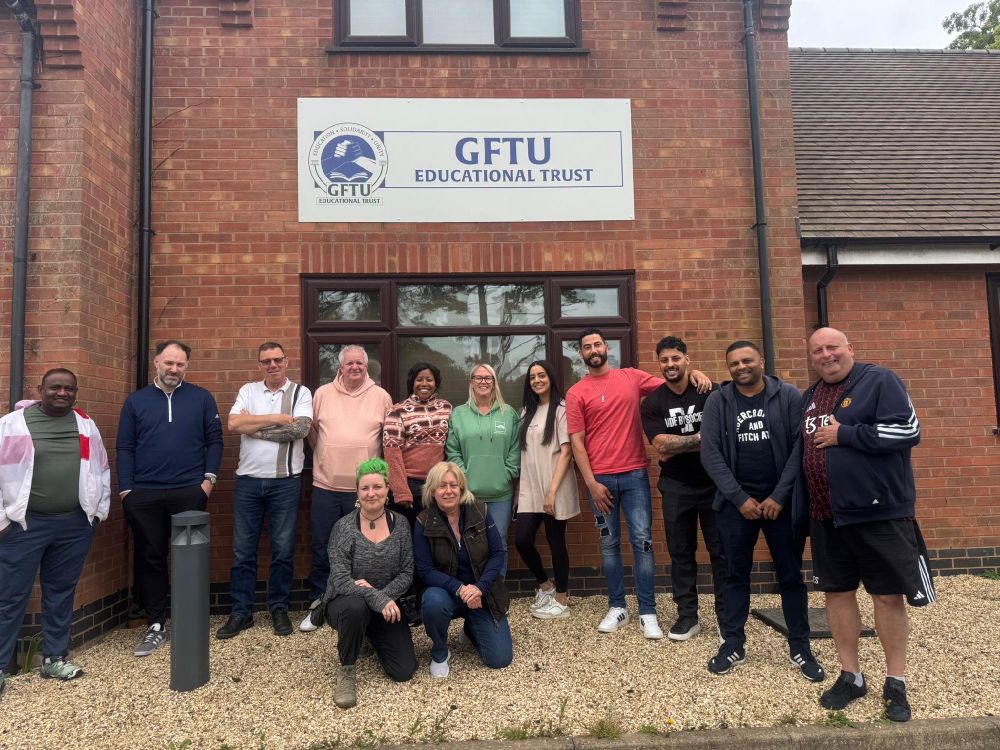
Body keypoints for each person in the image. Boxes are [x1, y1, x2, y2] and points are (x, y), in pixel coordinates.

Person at [803, 327, 929, 722]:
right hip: (826, 517)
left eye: (832, 347)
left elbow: (909, 431)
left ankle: (896, 682)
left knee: (887, 597)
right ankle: (851, 675)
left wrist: (847, 434)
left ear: (849, 349)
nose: (826, 355)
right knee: (837, 595)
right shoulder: (809, 398)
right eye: (818, 350)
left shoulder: (880, 381)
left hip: (876, 515)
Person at [566, 327, 710, 639]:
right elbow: (577, 443)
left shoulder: (631, 377)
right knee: (608, 544)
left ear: (606, 347)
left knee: (643, 542)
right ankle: (617, 606)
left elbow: (675, 383)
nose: (593, 350)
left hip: (634, 475)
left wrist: (695, 371)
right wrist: (590, 483)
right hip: (600, 480)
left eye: (597, 344)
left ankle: (648, 611)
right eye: (586, 346)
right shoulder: (576, 392)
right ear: (581, 354)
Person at [700, 340, 824, 681]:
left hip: (780, 506)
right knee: (734, 576)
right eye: (734, 363)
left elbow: (801, 446)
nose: (741, 367)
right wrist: (739, 498)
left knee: (790, 576)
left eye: (747, 360)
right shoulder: (718, 401)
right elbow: (710, 453)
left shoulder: (789, 396)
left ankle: (801, 646)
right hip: (735, 506)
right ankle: (733, 644)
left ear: (762, 361)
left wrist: (779, 496)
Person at [0, 370, 110, 697]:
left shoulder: (85, 425)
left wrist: (97, 511)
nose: (62, 393)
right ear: (40, 390)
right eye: (55, 387)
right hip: (24, 525)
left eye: (68, 388)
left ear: (76, 392)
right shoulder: (12, 424)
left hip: (74, 524)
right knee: (9, 596)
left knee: (60, 592)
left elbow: (101, 468)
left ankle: (54, 658)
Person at [117, 341, 222, 657]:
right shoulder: (136, 402)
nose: (174, 369)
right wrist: (126, 490)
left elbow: (214, 440)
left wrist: (208, 482)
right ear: (156, 363)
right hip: (144, 495)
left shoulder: (201, 398)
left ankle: (188, 621)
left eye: (180, 365)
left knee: (190, 556)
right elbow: (125, 447)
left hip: (189, 491)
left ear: (186, 367)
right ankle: (156, 623)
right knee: (151, 556)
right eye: (169, 363)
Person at [216, 343, 313, 640]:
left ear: (286, 361)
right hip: (247, 481)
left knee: (282, 549)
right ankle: (241, 612)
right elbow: (233, 423)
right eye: (265, 361)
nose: (272, 365)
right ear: (259, 365)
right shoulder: (248, 390)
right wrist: (276, 418)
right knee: (243, 551)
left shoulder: (301, 393)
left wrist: (253, 429)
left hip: (285, 481)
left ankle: (279, 608)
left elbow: (299, 431)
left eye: (277, 360)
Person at [300, 345, 392, 632]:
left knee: (365, 551)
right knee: (322, 545)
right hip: (326, 485)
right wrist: (328, 456)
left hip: (366, 492)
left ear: (367, 367)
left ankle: (363, 603)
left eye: (359, 363)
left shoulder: (381, 396)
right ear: (340, 367)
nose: (355, 367)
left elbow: (388, 440)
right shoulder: (322, 394)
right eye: (349, 363)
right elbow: (312, 432)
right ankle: (320, 604)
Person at [640, 336, 726, 641]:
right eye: (664, 360)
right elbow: (660, 445)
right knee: (681, 553)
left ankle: (726, 618)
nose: (670, 365)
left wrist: (681, 444)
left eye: (676, 358)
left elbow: (721, 436)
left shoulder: (710, 392)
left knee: (721, 552)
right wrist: (702, 439)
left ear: (687, 359)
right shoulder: (653, 403)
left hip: (716, 485)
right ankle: (688, 617)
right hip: (676, 486)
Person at [321, 458, 416, 709]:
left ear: (387, 490)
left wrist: (381, 598)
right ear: (357, 492)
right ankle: (347, 670)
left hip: (384, 606)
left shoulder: (402, 525)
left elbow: (407, 573)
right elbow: (341, 580)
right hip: (345, 602)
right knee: (355, 607)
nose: (371, 493)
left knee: (404, 671)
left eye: (377, 487)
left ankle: (368, 635)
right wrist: (378, 598)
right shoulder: (343, 528)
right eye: (365, 488)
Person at [415, 461, 512, 678]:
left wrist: (480, 588)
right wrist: (460, 589)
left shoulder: (480, 510)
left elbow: (498, 554)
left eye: (453, 485)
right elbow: (425, 569)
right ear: (432, 491)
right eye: (442, 486)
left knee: (499, 659)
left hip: (480, 593)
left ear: (461, 487)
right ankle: (440, 651)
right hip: (446, 593)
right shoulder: (423, 521)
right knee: (432, 601)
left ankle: (471, 628)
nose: (448, 491)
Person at [514, 360, 580, 619]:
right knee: (522, 539)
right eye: (532, 377)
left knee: (556, 542)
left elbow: (567, 452)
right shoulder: (525, 413)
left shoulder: (562, 409)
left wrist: (552, 491)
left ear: (551, 378)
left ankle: (562, 599)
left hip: (555, 486)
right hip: (530, 488)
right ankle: (545, 586)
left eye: (542, 375)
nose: (537, 380)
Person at [444, 363, 519, 570]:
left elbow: (515, 448)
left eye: (488, 378)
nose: (483, 382)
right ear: (471, 382)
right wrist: (463, 476)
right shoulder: (459, 413)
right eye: (478, 377)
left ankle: (497, 595)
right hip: (468, 494)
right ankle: (475, 592)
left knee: (499, 542)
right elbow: (452, 450)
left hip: (500, 493)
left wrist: (507, 473)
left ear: (494, 383)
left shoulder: (508, 413)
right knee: (469, 543)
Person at [383, 362, 452, 533]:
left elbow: (452, 447)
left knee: (435, 538)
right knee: (410, 538)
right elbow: (392, 454)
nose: (424, 384)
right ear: (412, 382)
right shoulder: (397, 411)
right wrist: (401, 491)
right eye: (419, 379)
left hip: (437, 484)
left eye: (429, 379)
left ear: (436, 383)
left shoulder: (446, 408)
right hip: (410, 486)